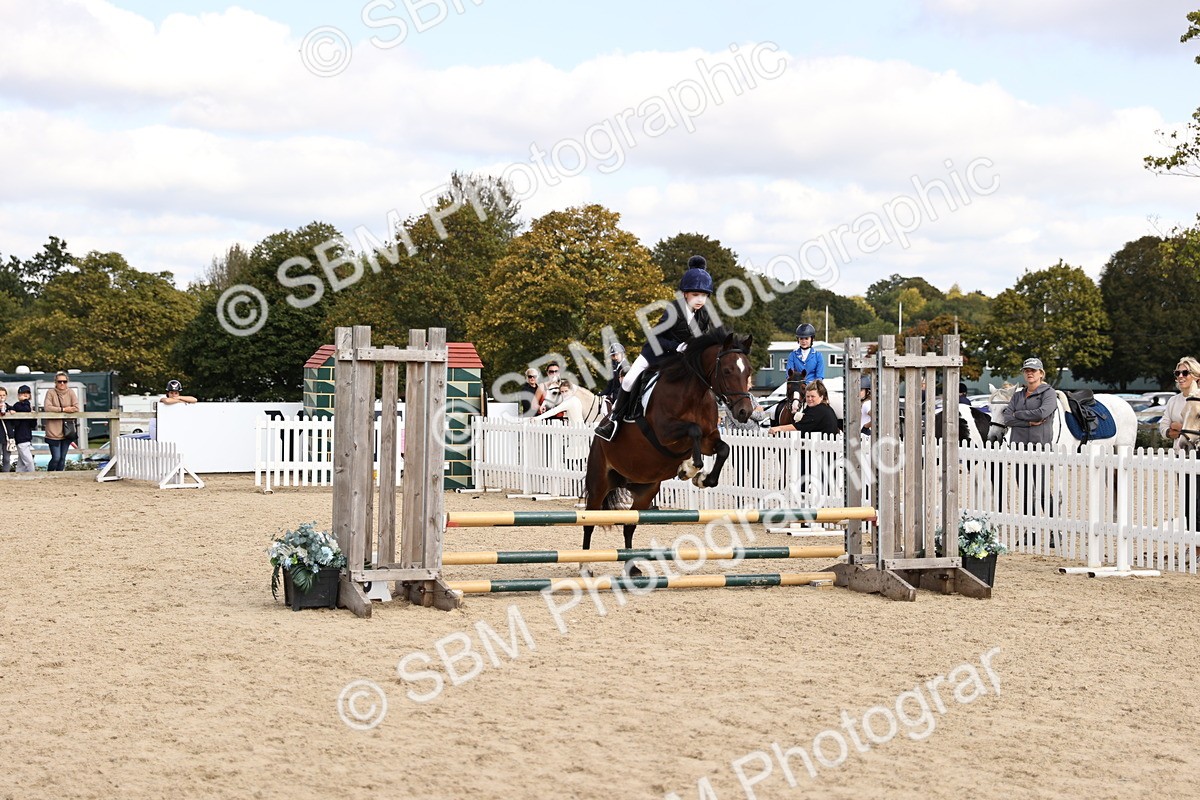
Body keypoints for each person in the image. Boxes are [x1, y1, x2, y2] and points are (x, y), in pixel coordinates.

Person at [594, 255, 715, 440]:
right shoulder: (674, 310)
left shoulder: (703, 315)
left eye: (704, 295)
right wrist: (678, 347)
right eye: (695, 295)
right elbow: (655, 336)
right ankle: (613, 420)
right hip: (654, 353)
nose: (700, 299)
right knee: (627, 381)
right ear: (685, 294)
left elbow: (704, 340)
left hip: (677, 361)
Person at [1158, 357, 1200, 530]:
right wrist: (1172, 431)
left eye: (1185, 373)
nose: (1180, 376)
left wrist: (1180, 427)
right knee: (1187, 501)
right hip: (1181, 454)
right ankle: (1193, 543)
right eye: (1177, 373)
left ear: (1196, 376)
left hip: (1198, 453)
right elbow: (1163, 427)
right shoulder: (1173, 401)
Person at [1001, 358, 1056, 444]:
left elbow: (1041, 414)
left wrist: (1017, 414)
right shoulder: (1017, 395)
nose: (1029, 373)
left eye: (1033, 370)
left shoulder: (1049, 393)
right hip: (1016, 447)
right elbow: (1007, 419)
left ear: (1041, 373)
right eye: (1026, 370)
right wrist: (1029, 423)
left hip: (1039, 447)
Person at [769, 380, 840, 435]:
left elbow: (799, 426)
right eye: (807, 396)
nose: (809, 399)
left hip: (821, 450)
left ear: (821, 397)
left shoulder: (820, 410)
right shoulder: (819, 408)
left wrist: (779, 428)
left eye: (813, 396)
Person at [43, 371, 80, 471]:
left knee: (62, 458)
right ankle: (49, 475)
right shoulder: (50, 392)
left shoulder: (71, 392)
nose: (62, 384)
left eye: (64, 381)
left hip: (67, 431)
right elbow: (47, 407)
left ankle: (59, 477)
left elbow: (76, 407)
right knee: (56, 458)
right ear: (55, 382)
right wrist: (64, 410)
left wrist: (66, 409)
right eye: (60, 381)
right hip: (53, 431)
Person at [10, 385, 36, 472]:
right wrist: (26, 402)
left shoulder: (29, 406)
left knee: (21, 461)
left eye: (27, 393)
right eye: (22, 393)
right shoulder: (17, 405)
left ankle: (18, 475)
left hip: (27, 437)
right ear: (18, 395)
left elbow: (33, 424)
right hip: (21, 437)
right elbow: (23, 409)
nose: (25, 395)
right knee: (29, 461)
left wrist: (33, 416)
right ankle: (33, 475)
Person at [0, 387, 13, 472]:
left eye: (3, 395)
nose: (1, 397)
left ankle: (6, 476)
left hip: (6, 436)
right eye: (0, 395)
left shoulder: (10, 408)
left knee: (7, 459)